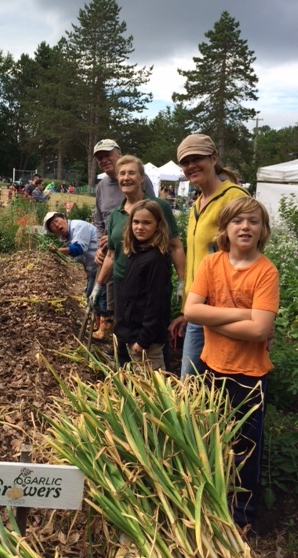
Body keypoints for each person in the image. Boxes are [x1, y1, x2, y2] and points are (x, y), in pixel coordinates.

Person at [184, 198, 278, 527]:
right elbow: (191, 311)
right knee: (212, 440)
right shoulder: (211, 265)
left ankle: (242, 518)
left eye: (253, 221)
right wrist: (242, 314)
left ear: (263, 230)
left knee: (245, 451)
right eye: (237, 221)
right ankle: (213, 505)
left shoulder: (265, 271)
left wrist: (212, 318)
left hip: (249, 377)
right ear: (225, 229)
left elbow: (261, 330)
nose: (245, 227)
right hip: (211, 368)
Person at [90, 155, 186, 366]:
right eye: (122, 173)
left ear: (142, 178)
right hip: (122, 284)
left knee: (151, 336)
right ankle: (125, 378)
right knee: (123, 333)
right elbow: (111, 255)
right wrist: (98, 285)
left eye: (131, 173)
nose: (126, 178)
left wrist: (181, 281)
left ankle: (157, 384)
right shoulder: (116, 214)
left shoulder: (158, 207)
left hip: (150, 284)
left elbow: (175, 245)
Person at [169, 134, 249, 377]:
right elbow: (198, 261)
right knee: (191, 385)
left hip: (224, 310)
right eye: (185, 162)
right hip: (199, 310)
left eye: (197, 158)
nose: (191, 166)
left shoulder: (234, 198)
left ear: (213, 158)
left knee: (220, 385)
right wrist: (187, 309)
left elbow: (248, 259)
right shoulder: (196, 205)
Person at [92, 139, 156, 341]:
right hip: (112, 252)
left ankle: (139, 345)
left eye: (107, 155)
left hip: (137, 252)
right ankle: (117, 340)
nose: (104, 160)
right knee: (113, 298)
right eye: (99, 158)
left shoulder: (138, 180)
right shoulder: (102, 186)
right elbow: (99, 220)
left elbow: (152, 212)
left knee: (137, 303)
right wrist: (99, 243)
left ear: (118, 154)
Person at [114, 200, 171, 371]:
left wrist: (143, 339)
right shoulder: (136, 253)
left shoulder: (155, 259)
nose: (140, 227)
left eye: (147, 223)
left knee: (151, 388)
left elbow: (157, 304)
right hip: (132, 334)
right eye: (136, 222)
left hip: (146, 341)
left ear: (158, 226)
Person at [43, 212, 98, 297]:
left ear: (64, 218)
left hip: (103, 267)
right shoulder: (66, 238)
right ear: (54, 233)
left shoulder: (78, 226)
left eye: (56, 221)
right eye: (52, 227)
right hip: (93, 270)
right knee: (90, 297)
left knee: (99, 300)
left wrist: (57, 250)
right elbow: (82, 256)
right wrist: (86, 270)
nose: (57, 226)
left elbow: (78, 249)